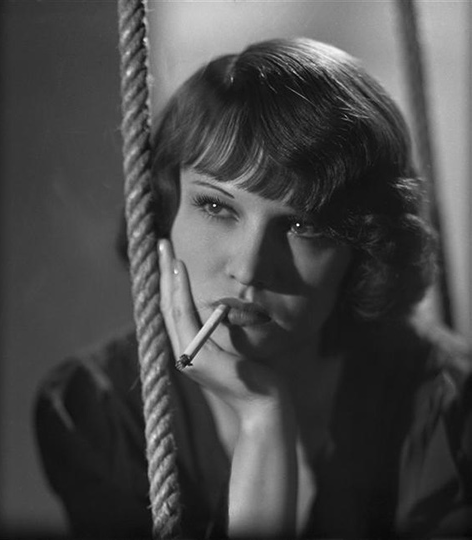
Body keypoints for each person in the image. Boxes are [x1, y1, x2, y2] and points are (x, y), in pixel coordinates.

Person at [35, 38, 471, 539]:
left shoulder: (448, 406)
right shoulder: (96, 409)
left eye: (304, 226)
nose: (248, 268)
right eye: (216, 207)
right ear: (163, 210)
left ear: (363, 253)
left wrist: (262, 417)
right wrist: (264, 423)